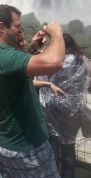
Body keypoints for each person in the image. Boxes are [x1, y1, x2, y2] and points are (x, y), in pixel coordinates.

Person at [0, 4, 65, 177]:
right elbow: (55, 62)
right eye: (17, 26)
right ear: (1, 28)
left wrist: (32, 49)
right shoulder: (3, 57)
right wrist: (57, 34)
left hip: (1, 138)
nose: (20, 31)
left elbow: (18, 73)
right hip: (25, 146)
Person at [38, 33, 90, 178]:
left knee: (53, 145)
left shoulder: (52, 60)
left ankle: (52, 175)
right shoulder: (81, 59)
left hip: (52, 108)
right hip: (72, 111)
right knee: (68, 146)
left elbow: (39, 79)